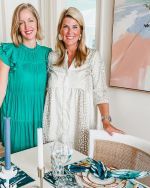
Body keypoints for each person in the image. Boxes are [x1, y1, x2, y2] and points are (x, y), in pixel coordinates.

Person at [43, 7, 123, 155]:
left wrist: (106, 121)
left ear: (81, 32)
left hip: (80, 130)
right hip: (54, 130)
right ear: (60, 31)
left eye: (75, 27)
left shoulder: (92, 57)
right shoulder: (51, 58)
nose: (70, 32)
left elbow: (100, 92)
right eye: (65, 27)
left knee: (80, 172)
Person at [0, 3, 52, 153]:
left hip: (39, 120)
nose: (26, 26)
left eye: (30, 20)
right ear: (16, 27)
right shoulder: (9, 51)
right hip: (15, 119)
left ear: (37, 22)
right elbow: (1, 90)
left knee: (39, 166)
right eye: (21, 22)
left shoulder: (47, 54)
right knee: (19, 168)